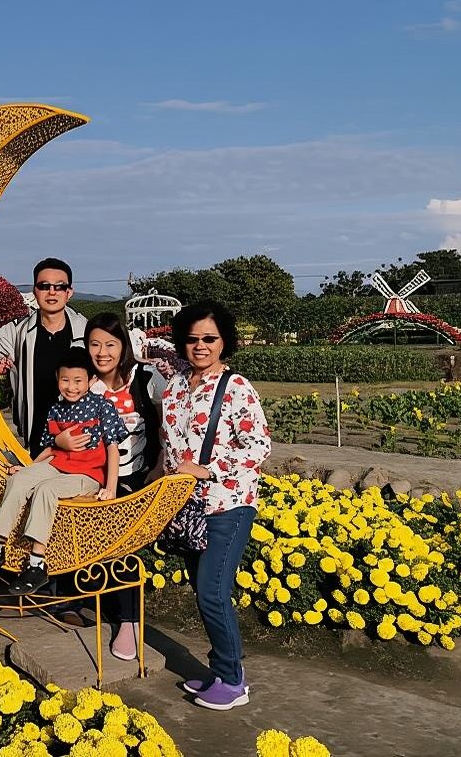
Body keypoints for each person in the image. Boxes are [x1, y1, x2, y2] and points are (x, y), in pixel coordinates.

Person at [155, 301, 271, 711]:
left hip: (229, 504)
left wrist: (206, 468)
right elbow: (169, 450)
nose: (200, 346)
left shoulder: (236, 386)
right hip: (187, 510)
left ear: (224, 341)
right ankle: (220, 672)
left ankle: (234, 679)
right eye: (191, 339)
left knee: (212, 593)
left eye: (209, 338)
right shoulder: (173, 389)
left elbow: (258, 446)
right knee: (204, 591)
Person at [0, 347, 128, 595]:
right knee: (20, 479)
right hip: (56, 464)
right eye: (65, 380)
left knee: (46, 489)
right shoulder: (56, 409)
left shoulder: (101, 406)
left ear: (91, 380)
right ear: (57, 379)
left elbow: (113, 448)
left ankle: (37, 563)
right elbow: (51, 448)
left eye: (78, 381)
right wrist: (30, 468)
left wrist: (111, 488)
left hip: (87, 474)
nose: (71, 387)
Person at [55, 312, 166, 659]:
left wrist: (160, 466)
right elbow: (59, 424)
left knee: (123, 542)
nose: (102, 352)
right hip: (94, 474)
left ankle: (130, 622)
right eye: (94, 344)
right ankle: (75, 598)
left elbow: (170, 425)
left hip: (138, 474)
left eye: (110, 344)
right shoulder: (85, 384)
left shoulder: (146, 378)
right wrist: (58, 445)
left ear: (124, 346)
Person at [0, 258, 89, 453]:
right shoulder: (18, 332)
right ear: (35, 291)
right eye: (44, 286)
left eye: (59, 286)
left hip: (79, 441)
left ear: (69, 292)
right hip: (35, 437)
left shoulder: (87, 332)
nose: (52, 292)